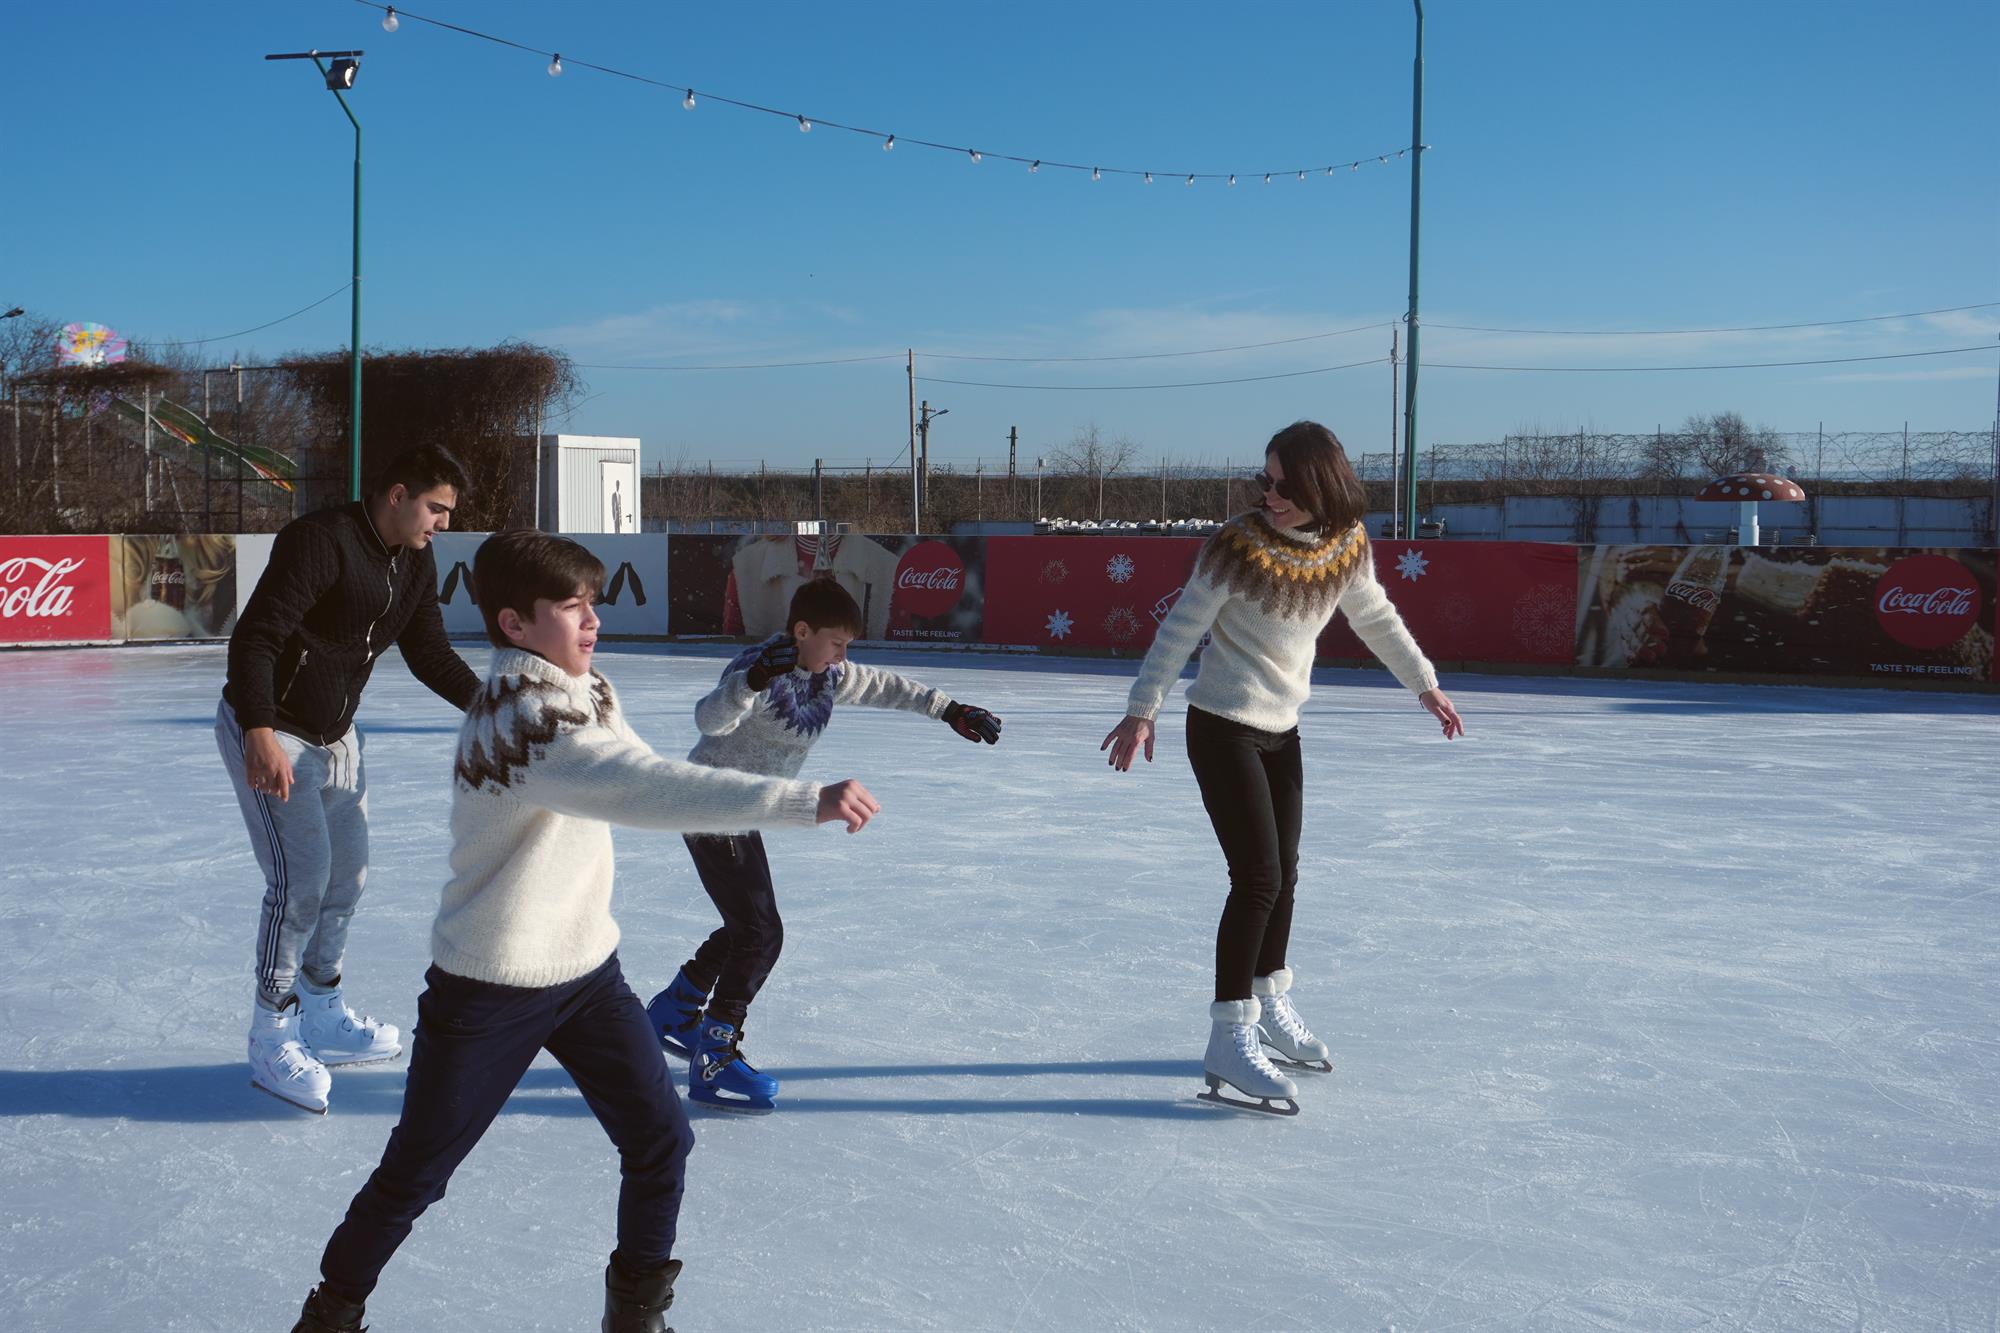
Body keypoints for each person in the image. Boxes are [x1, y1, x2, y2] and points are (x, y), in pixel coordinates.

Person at [288, 531, 883, 1333]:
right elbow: (638, 786)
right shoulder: (519, 720)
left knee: (661, 1140)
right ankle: (330, 1315)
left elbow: (643, 762)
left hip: (586, 975)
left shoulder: (587, 688)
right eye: (571, 607)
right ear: (514, 623)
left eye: (593, 602)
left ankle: (634, 1316)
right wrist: (797, 800)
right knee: (417, 1173)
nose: (592, 620)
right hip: (490, 982)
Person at [1100, 421, 1464, 1115]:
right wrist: (1142, 707)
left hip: (1281, 729)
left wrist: (1425, 683)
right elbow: (1181, 625)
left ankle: (1269, 1001)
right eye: (1263, 480)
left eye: (1282, 484)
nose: (1269, 494)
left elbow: (1376, 617)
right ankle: (1229, 1032)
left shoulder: (1347, 544)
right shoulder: (1236, 546)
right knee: (1257, 876)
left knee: (1285, 871)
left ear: (1318, 485)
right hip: (1222, 727)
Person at [646, 576, 1003, 1111]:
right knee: (761, 932)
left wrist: (951, 709)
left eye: (846, 646)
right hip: (708, 804)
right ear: (802, 630)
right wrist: (750, 682)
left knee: (748, 924)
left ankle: (676, 1009)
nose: (841, 654)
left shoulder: (828, 673)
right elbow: (709, 718)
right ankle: (715, 1056)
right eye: (835, 642)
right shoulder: (758, 666)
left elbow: (885, 685)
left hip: (745, 811)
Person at [217, 445, 482, 1114]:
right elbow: (257, 636)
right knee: (300, 881)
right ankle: (271, 1031)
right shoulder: (320, 541)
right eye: (436, 508)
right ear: (397, 493)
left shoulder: (415, 561)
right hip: (273, 728)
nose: (442, 524)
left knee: (348, 876)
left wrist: (492, 707)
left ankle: (323, 1008)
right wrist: (258, 731)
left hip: (336, 735)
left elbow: (429, 654)